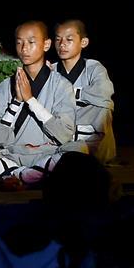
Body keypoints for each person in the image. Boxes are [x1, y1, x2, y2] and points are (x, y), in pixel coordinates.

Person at [0, 21, 77, 186]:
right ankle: (27, 175)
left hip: (47, 153)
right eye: (19, 42)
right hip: (12, 154)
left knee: (78, 150)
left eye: (31, 42)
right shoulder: (5, 87)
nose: (24, 48)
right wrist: (16, 102)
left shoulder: (61, 86)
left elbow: (64, 134)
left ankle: (14, 176)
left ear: (46, 44)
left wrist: (31, 101)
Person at [52, 19, 117, 163]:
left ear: (83, 42)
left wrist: (69, 93)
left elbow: (104, 92)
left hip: (90, 134)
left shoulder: (93, 67)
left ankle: (91, 146)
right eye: (58, 39)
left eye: (69, 39)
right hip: (61, 129)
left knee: (103, 105)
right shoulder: (51, 70)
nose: (62, 44)